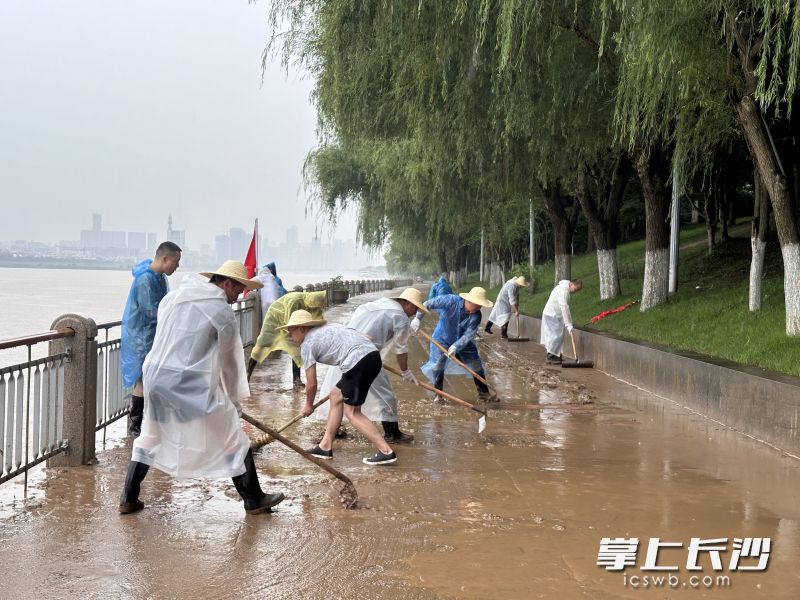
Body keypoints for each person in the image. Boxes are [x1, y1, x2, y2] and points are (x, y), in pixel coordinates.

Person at [119, 260, 285, 515]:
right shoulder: (220, 311)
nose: (235, 298)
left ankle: (128, 497)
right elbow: (230, 363)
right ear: (226, 283)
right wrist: (234, 402)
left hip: (155, 375)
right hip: (185, 381)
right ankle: (253, 499)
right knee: (232, 434)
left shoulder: (174, 298)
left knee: (151, 435)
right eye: (236, 291)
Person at [284, 310, 397, 465]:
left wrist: (309, 405)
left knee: (352, 413)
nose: (290, 335)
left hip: (356, 363)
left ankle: (386, 451)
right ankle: (325, 447)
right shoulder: (331, 327)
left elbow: (311, 383)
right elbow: (365, 337)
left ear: (301, 328)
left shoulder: (307, 344)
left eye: (291, 331)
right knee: (336, 396)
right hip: (371, 356)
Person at [316, 288, 428, 443]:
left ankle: (333, 430)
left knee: (340, 392)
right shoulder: (400, 316)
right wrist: (406, 371)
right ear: (406, 303)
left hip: (348, 349)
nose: (415, 313)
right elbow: (401, 349)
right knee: (385, 394)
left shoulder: (379, 303)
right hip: (365, 356)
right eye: (415, 308)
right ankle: (392, 434)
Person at [120, 241, 182, 438]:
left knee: (151, 379)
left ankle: (148, 423)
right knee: (142, 380)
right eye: (176, 261)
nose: (177, 266)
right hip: (141, 337)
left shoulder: (159, 277)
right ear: (164, 259)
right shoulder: (145, 280)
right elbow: (150, 311)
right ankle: (135, 426)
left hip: (152, 336)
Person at [411, 287, 498, 402]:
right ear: (469, 301)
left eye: (480, 306)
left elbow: (469, 335)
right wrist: (417, 318)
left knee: (476, 364)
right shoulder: (450, 301)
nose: (478, 308)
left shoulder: (476, 315)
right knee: (438, 364)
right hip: (442, 338)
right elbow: (427, 304)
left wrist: (456, 346)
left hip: (463, 342)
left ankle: (484, 394)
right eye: (477, 305)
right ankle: (438, 395)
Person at [248, 290, 327, 388]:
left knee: (297, 348)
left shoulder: (313, 303)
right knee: (262, 344)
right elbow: (288, 321)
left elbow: (318, 319)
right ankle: (247, 376)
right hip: (275, 317)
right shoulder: (295, 300)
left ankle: (296, 379)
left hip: (291, 321)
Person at [540, 279, 583, 364]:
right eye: (575, 289)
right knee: (555, 336)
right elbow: (564, 307)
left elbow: (566, 309)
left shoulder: (564, 288)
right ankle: (551, 356)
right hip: (551, 314)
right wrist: (568, 324)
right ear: (571, 284)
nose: (575, 292)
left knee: (557, 335)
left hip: (553, 314)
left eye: (577, 290)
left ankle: (556, 355)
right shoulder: (564, 290)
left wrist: (569, 323)